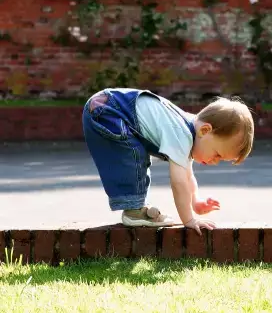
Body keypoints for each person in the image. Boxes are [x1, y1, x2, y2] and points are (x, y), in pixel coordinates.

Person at [81, 88, 254, 236]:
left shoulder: (188, 130)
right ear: (205, 130)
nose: (215, 161)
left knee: (135, 152)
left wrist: (196, 202)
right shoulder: (181, 134)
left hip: (107, 106)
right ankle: (134, 211)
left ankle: (134, 207)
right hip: (108, 111)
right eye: (217, 154)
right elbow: (179, 182)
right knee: (134, 155)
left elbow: (187, 175)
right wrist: (189, 220)